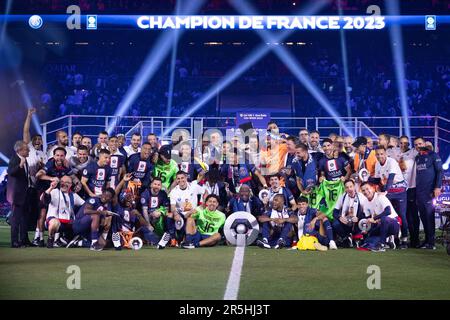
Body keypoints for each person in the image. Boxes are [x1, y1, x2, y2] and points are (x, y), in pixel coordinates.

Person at [374, 147, 408, 249]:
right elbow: (377, 180)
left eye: (382, 154)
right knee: (389, 215)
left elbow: (391, 177)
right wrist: (364, 179)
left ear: (385, 154)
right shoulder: (377, 164)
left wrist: (385, 191)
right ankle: (392, 238)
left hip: (399, 191)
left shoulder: (391, 161)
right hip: (388, 192)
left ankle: (405, 240)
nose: (380, 156)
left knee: (401, 214)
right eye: (378, 154)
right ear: (375, 155)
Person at [414, 137, 443, 249]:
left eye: (420, 143)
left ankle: (431, 242)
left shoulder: (433, 155)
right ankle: (427, 240)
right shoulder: (418, 157)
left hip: (430, 191)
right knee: (423, 217)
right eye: (416, 144)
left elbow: (440, 171)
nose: (418, 146)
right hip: (420, 192)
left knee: (429, 216)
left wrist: (437, 187)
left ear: (424, 143)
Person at [41, 176, 85, 248]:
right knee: (54, 222)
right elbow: (44, 199)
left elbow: (85, 205)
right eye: (62, 182)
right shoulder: (54, 191)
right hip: (54, 221)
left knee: (82, 223)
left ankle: (66, 240)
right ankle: (50, 238)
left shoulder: (73, 195)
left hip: (68, 222)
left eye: (67, 182)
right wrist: (51, 187)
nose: (64, 184)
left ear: (71, 185)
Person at [359, 182, 400, 252]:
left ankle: (382, 245)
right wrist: (366, 230)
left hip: (393, 224)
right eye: (363, 190)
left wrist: (374, 218)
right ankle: (388, 241)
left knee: (384, 219)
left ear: (372, 188)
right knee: (368, 242)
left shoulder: (380, 196)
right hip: (380, 226)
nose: (365, 191)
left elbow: (388, 211)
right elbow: (369, 221)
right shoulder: (365, 202)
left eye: (367, 189)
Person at [7, 141, 33, 248]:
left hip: (24, 194)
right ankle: (14, 242)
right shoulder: (15, 159)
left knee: (24, 218)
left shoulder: (24, 159)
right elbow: (11, 172)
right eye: (26, 149)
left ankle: (24, 240)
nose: (29, 150)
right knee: (15, 219)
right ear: (19, 150)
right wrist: (20, 165)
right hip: (16, 195)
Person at [399, 136, 420, 247]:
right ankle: (404, 239)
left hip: (412, 188)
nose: (403, 145)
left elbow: (424, 149)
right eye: (401, 143)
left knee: (413, 216)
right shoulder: (396, 153)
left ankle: (415, 240)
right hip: (400, 189)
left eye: (406, 143)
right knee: (404, 216)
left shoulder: (413, 152)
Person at [332, 179, 364, 247]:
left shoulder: (361, 197)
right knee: (335, 223)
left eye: (351, 186)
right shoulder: (342, 196)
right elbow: (334, 212)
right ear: (345, 189)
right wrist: (340, 217)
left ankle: (356, 238)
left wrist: (359, 218)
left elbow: (366, 213)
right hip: (345, 223)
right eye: (347, 187)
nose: (349, 189)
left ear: (354, 187)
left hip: (356, 224)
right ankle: (346, 237)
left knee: (363, 223)